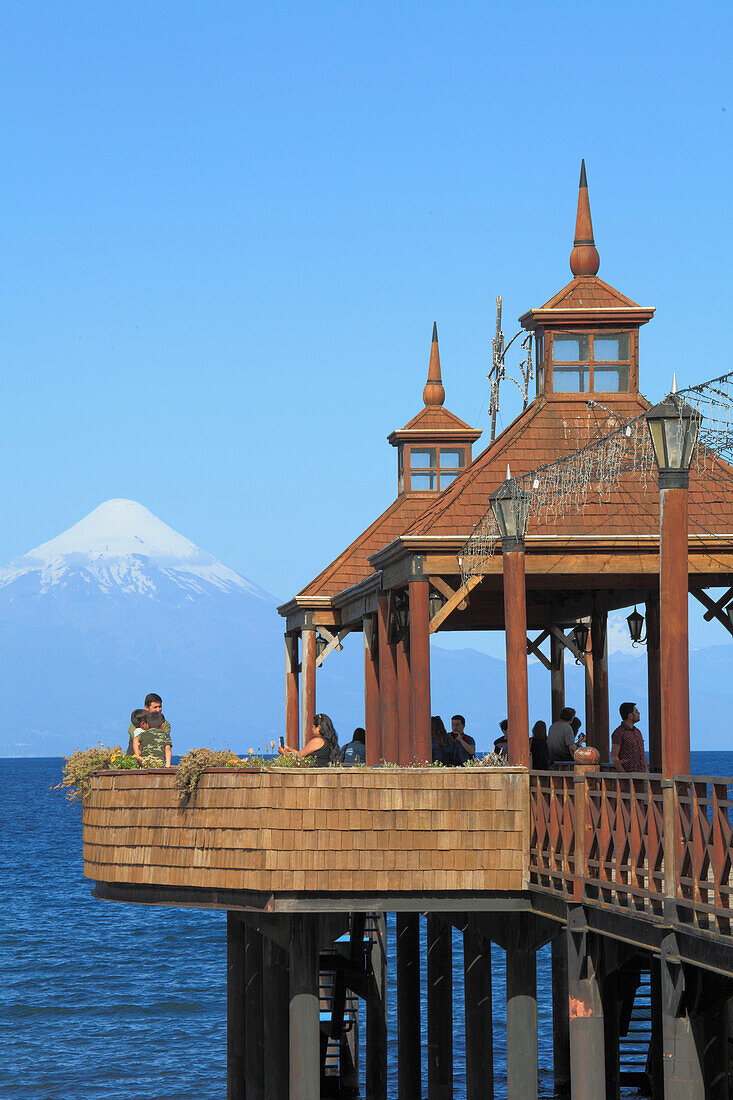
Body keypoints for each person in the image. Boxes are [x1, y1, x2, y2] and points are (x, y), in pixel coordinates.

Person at [611, 702, 648, 773]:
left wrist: (646, 772)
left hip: (642, 777)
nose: (639, 713)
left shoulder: (638, 732)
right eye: (636, 712)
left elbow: (642, 754)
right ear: (630, 715)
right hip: (628, 778)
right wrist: (624, 776)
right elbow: (614, 757)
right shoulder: (619, 733)